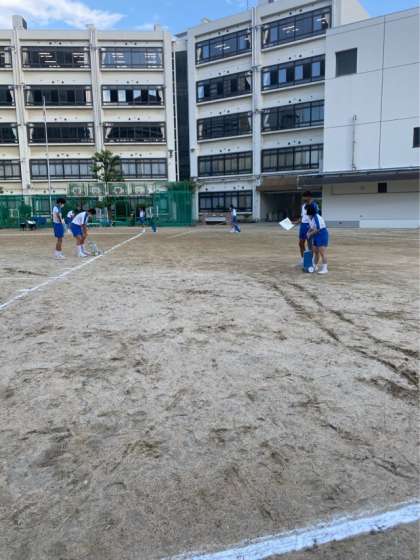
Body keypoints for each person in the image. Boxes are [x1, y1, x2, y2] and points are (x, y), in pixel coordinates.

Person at [293, 191, 319, 265]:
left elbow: (316, 217)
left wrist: (313, 227)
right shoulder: (303, 206)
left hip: (310, 225)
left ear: (309, 197)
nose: (303, 198)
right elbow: (302, 217)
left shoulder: (314, 205)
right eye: (303, 197)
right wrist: (296, 222)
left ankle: (311, 261)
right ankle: (303, 259)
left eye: (304, 197)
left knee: (310, 244)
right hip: (303, 226)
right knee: (301, 243)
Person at [306, 203, 329, 274]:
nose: (308, 215)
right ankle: (314, 266)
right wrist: (308, 232)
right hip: (316, 235)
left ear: (311, 213)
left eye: (309, 214)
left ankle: (325, 269)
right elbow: (312, 227)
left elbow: (318, 229)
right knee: (315, 251)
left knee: (322, 252)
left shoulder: (317, 217)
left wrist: (310, 234)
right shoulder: (311, 218)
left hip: (322, 234)